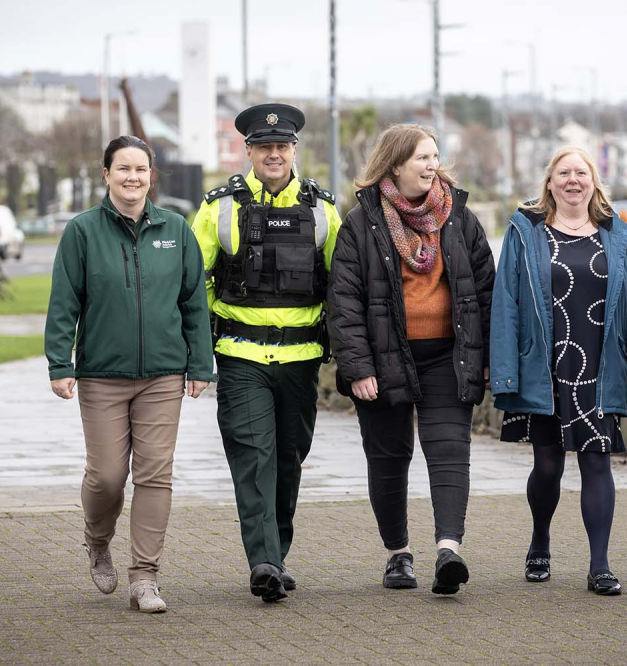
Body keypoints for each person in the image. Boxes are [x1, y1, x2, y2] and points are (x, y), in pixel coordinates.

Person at [45, 135, 215, 613]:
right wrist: (61, 363)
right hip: (101, 375)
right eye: (123, 169)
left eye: (141, 169)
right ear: (106, 175)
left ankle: (145, 577)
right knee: (107, 477)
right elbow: (64, 303)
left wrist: (201, 364)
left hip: (163, 375)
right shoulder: (82, 232)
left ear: (151, 176)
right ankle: (97, 541)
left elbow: (193, 304)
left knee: (155, 475)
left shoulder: (176, 230)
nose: (133, 177)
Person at [328, 124, 495, 595]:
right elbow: (344, 301)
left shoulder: (459, 216)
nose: (431, 165)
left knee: (449, 454)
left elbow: (485, 292)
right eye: (422, 157)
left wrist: (484, 358)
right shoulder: (361, 222)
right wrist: (358, 368)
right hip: (383, 362)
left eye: (435, 156)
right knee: (388, 459)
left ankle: (448, 552)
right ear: (395, 163)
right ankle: (398, 555)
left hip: (448, 356)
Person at [191, 103, 342, 603]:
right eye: (264, 147)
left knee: (288, 461)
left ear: (293, 150)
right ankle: (262, 561)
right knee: (254, 458)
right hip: (241, 357)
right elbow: (191, 284)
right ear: (248, 151)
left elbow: (344, 287)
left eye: (282, 146)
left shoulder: (323, 210)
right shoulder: (219, 208)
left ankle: (276, 552)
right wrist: (198, 353)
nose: (273, 154)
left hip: (301, 361)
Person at [490, 146, 627, 596]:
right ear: (550, 182)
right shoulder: (526, 232)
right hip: (545, 366)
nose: (573, 180)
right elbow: (506, 303)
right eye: (564, 173)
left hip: (599, 366)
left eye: (581, 172)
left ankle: (600, 565)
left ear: (594, 182)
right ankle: (540, 539)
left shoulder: (617, 235)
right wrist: (504, 372)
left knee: (598, 461)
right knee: (547, 466)